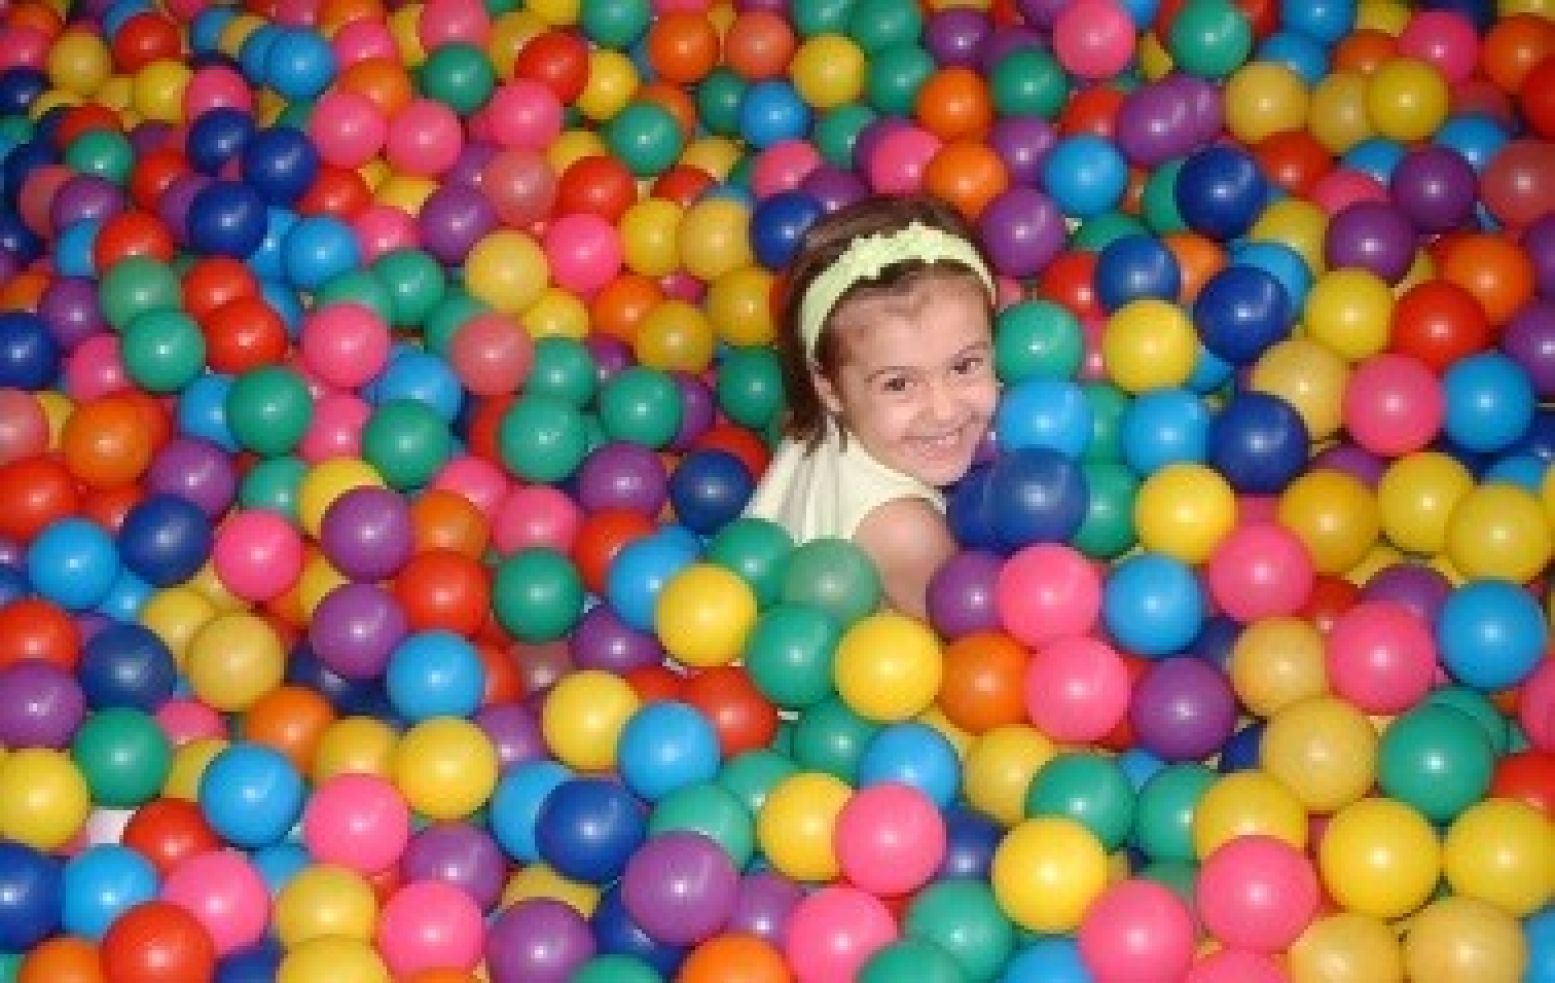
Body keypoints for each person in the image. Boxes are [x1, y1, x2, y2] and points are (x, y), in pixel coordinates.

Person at [745, 194, 1000, 619]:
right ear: (828, 386)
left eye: (964, 365)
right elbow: (980, 645)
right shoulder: (904, 532)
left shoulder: (824, 421)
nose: (942, 410)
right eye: (899, 384)